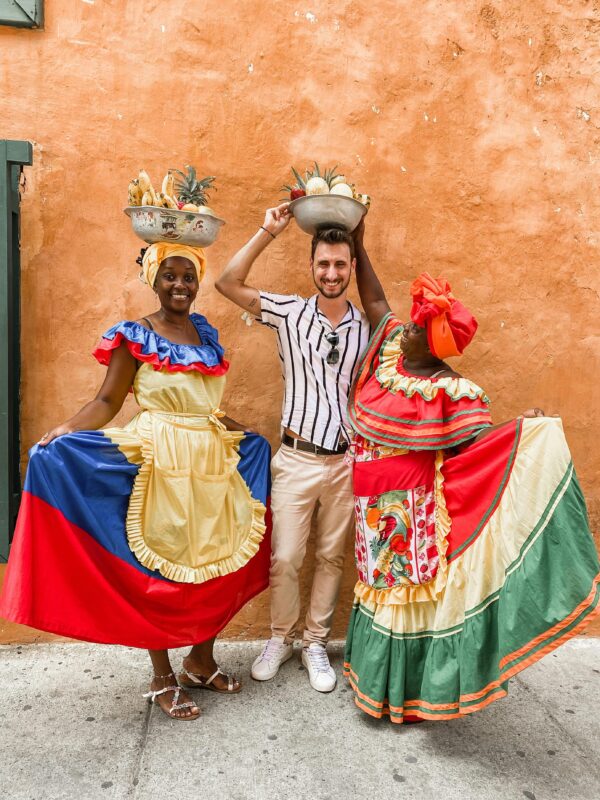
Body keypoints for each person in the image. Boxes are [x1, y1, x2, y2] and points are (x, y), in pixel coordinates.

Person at [0, 242, 272, 721]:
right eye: (170, 276)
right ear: (153, 278)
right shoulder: (136, 336)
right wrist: (65, 430)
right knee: (157, 572)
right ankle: (161, 675)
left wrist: (243, 434)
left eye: (189, 276)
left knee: (213, 561)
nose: (180, 285)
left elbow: (203, 406)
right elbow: (107, 401)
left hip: (209, 464)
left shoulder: (205, 334)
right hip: (160, 460)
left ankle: (200, 661)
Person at [343, 221, 600, 723]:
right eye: (413, 322)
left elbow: (483, 451)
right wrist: (358, 242)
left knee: (404, 598)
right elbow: (374, 300)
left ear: (435, 346)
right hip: (370, 505)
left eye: (419, 328)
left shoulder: (450, 391)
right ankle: (377, 686)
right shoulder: (393, 349)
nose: (407, 327)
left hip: (411, 514)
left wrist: (526, 432)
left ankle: (407, 695)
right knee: (377, 588)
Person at [215, 204, 370, 692]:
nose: (331, 273)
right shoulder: (288, 312)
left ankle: (315, 643)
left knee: (331, 558)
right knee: (284, 556)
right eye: (323, 264)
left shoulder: (366, 326)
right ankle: (280, 637)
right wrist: (267, 230)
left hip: (345, 459)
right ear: (311, 266)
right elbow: (227, 282)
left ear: (350, 268)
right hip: (297, 456)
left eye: (340, 264)